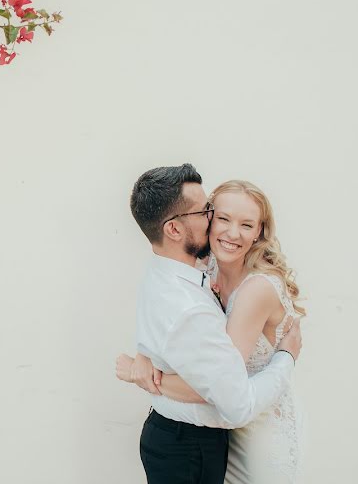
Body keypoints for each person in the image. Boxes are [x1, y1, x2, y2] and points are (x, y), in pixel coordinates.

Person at [114, 164, 301, 484]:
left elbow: (223, 392)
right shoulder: (199, 272)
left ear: (259, 231)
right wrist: (146, 355)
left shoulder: (246, 286)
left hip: (256, 432)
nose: (228, 231)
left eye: (246, 224)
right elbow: (217, 382)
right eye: (215, 214)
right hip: (207, 436)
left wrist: (145, 373)